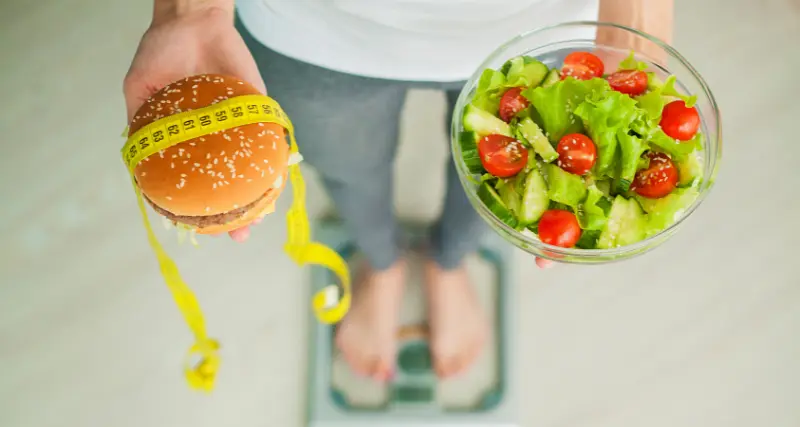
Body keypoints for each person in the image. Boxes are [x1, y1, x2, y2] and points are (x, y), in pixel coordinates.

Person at [124, 0, 673, 381]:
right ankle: (381, 263)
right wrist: (189, 10)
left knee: (511, 190)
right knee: (348, 170)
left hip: (545, 29)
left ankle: (450, 262)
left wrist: (629, 42)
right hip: (308, 32)